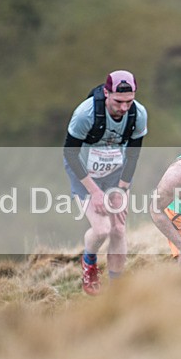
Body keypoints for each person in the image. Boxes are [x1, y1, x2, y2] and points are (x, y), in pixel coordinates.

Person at [63, 70, 148, 295]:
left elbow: (133, 154)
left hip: (115, 171)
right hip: (83, 171)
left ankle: (117, 290)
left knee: (119, 229)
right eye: (118, 102)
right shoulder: (86, 114)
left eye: (129, 101)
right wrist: (94, 192)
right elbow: (70, 154)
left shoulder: (138, 114)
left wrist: (121, 189)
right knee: (101, 229)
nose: (123, 108)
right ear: (106, 93)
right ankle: (89, 263)